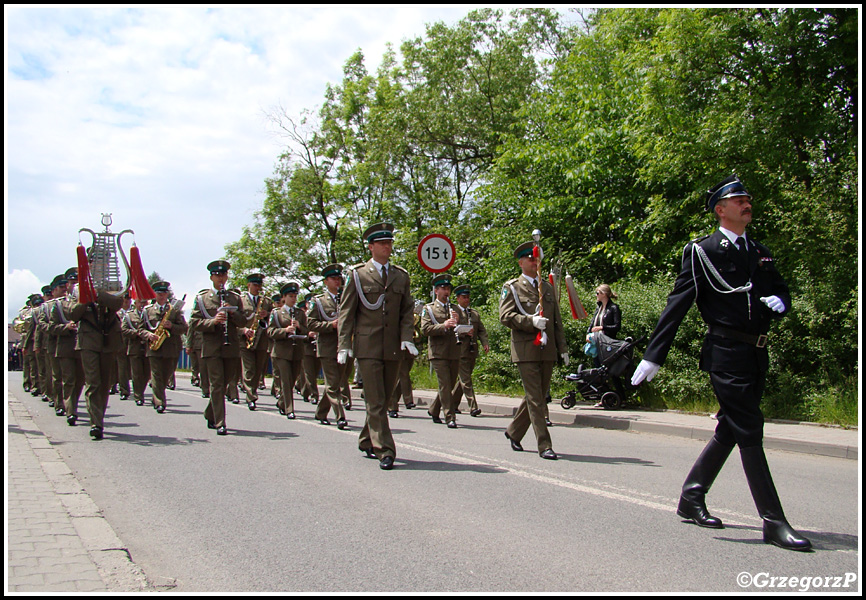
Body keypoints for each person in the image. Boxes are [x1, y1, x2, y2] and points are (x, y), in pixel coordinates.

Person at [631, 175, 811, 552]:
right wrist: (653, 355)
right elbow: (676, 305)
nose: (747, 203)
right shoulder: (703, 252)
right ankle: (773, 521)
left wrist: (782, 301)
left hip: (756, 353)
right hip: (725, 354)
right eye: (738, 199)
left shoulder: (758, 250)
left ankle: (691, 496)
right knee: (749, 428)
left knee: (731, 427)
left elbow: (780, 289)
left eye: (748, 197)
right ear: (721, 209)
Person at [338, 222, 417, 470]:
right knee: (375, 400)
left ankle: (366, 440)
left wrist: (407, 337)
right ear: (371, 247)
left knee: (381, 400)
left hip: (393, 346)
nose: (387, 247)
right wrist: (344, 344)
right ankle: (385, 449)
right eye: (382, 243)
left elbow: (406, 311)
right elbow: (346, 312)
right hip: (367, 346)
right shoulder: (358, 275)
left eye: (390, 243)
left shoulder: (400, 275)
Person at [499, 240, 568, 460]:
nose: (534, 261)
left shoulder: (547, 287)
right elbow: (505, 316)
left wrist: (562, 348)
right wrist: (530, 322)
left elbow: (556, 321)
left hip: (546, 349)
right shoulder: (512, 287)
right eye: (529, 258)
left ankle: (513, 431)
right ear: (520, 262)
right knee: (536, 398)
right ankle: (544, 445)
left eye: (536, 257)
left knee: (537, 396)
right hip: (526, 350)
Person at [189, 260, 247, 435]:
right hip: (212, 347)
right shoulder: (202, 298)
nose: (221, 278)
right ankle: (221, 422)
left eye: (223, 275)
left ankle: (210, 412)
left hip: (230, 347)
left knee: (226, 382)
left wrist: (233, 313)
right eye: (217, 275)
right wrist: (213, 322)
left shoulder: (234, 298)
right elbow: (194, 322)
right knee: (216, 384)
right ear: (211, 277)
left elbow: (244, 321)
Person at [71, 287, 124, 440]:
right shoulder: (78, 288)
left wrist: (97, 294)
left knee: (105, 383)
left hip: (109, 340)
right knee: (93, 381)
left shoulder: (111, 285)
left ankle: (98, 417)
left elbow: (117, 303)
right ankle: (96, 423)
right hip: (88, 341)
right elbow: (73, 314)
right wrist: (86, 297)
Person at [307, 264, 349, 429]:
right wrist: (330, 325)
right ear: (326, 281)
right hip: (327, 347)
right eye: (333, 279)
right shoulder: (317, 301)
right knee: (332, 383)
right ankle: (340, 416)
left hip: (344, 346)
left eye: (339, 278)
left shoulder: (346, 298)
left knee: (336, 382)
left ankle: (321, 411)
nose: (337, 282)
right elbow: (310, 323)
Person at [421, 273, 462, 428]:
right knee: (445, 384)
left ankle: (433, 409)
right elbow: (425, 329)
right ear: (436, 290)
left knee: (449, 384)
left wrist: (459, 322)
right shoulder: (429, 309)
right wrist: (443, 325)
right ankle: (449, 416)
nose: (446, 292)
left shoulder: (455, 308)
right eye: (443, 288)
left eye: (448, 288)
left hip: (453, 351)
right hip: (438, 352)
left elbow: (461, 329)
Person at [142, 282, 188, 413]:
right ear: (154, 294)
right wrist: (149, 335)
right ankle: (160, 402)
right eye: (159, 294)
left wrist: (171, 326)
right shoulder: (147, 310)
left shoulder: (174, 310)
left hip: (170, 348)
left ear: (167, 294)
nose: (161, 296)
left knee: (166, 375)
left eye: (164, 294)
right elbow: (141, 329)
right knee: (156, 375)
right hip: (154, 347)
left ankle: (157, 396)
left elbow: (184, 328)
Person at [267, 281, 308, 420]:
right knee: (285, 380)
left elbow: (307, 330)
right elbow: (270, 331)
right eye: (290, 296)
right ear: (284, 297)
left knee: (291, 381)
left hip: (297, 351)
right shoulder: (276, 313)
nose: (293, 299)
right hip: (281, 351)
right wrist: (284, 331)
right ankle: (290, 409)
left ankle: (281, 402)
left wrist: (300, 327)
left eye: (295, 296)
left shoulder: (299, 313)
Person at [451, 284, 489, 417]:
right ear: (458, 299)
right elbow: (451, 330)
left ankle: (452, 404)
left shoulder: (474, 314)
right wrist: (463, 332)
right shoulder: (453, 312)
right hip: (459, 350)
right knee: (466, 379)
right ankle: (473, 407)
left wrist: (485, 343)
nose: (467, 300)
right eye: (464, 297)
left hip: (472, 350)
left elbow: (482, 331)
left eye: (468, 297)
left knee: (463, 379)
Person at [586, 284, 625, 406]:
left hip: (608, 343)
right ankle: (604, 398)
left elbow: (617, 326)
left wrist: (602, 327)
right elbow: (592, 324)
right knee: (599, 372)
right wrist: (588, 333)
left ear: (604, 294)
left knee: (612, 372)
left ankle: (621, 398)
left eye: (598, 293)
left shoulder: (613, 308)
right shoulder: (599, 308)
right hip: (597, 343)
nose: (596, 296)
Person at [239, 273, 273, 411]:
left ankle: (252, 390)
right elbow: (233, 321)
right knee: (249, 369)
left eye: (259, 285)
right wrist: (243, 330)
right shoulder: (240, 300)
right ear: (248, 285)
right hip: (244, 339)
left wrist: (267, 315)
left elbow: (274, 319)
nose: (257, 288)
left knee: (258, 370)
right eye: (255, 285)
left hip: (261, 339)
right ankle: (251, 397)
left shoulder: (266, 301)